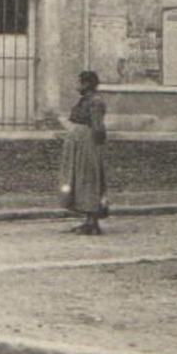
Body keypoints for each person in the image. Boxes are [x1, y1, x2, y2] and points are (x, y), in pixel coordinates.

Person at [59, 70, 109, 235]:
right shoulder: (85, 100)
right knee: (80, 179)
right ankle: (88, 221)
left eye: (78, 82)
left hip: (87, 144)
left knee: (88, 178)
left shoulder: (95, 102)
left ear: (86, 84)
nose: (76, 86)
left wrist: (93, 146)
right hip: (79, 143)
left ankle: (93, 223)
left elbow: (98, 127)